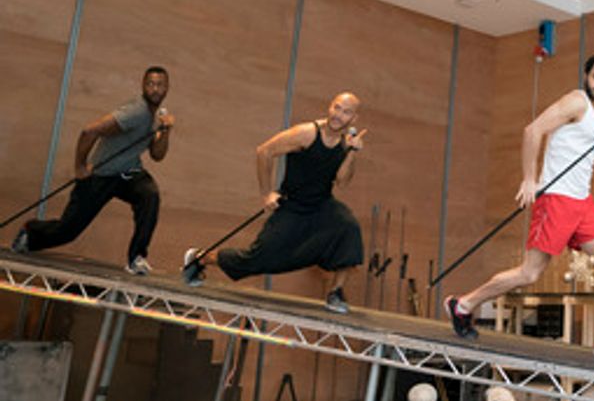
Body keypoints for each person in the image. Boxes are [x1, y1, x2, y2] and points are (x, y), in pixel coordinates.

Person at [444, 53, 594, 364]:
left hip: (583, 202)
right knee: (530, 273)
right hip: (555, 198)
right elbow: (533, 131)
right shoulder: (576, 102)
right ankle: (463, 304)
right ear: (587, 75)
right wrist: (530, 179)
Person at [182, 93, 366, 314]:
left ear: (353, 119)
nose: (338, 115)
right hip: (293, 205)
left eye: (346, 112)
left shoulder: (346, 144)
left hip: (321, 205)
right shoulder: (306, 133)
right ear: (330, 107)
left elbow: (342, 182)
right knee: (257, 260)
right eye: (337, 108)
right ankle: (200, 258)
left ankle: (335, 292)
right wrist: (266, 193)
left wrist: (353, 153)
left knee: (349, 228)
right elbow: (264, 151)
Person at [12, 67, 174, 275]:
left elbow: (157, 155)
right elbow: (90, 131)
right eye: (150, 84)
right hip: (101, 175)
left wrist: (167, 130)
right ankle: (30, 233)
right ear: (143, 86)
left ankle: (137, 258)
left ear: (167, 88)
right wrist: (80, 166)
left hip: (128, 174)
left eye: (160, 84)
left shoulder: (155, 116)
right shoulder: (137, 111)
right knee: (68, 231)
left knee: (149, 195)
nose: (155, 89)